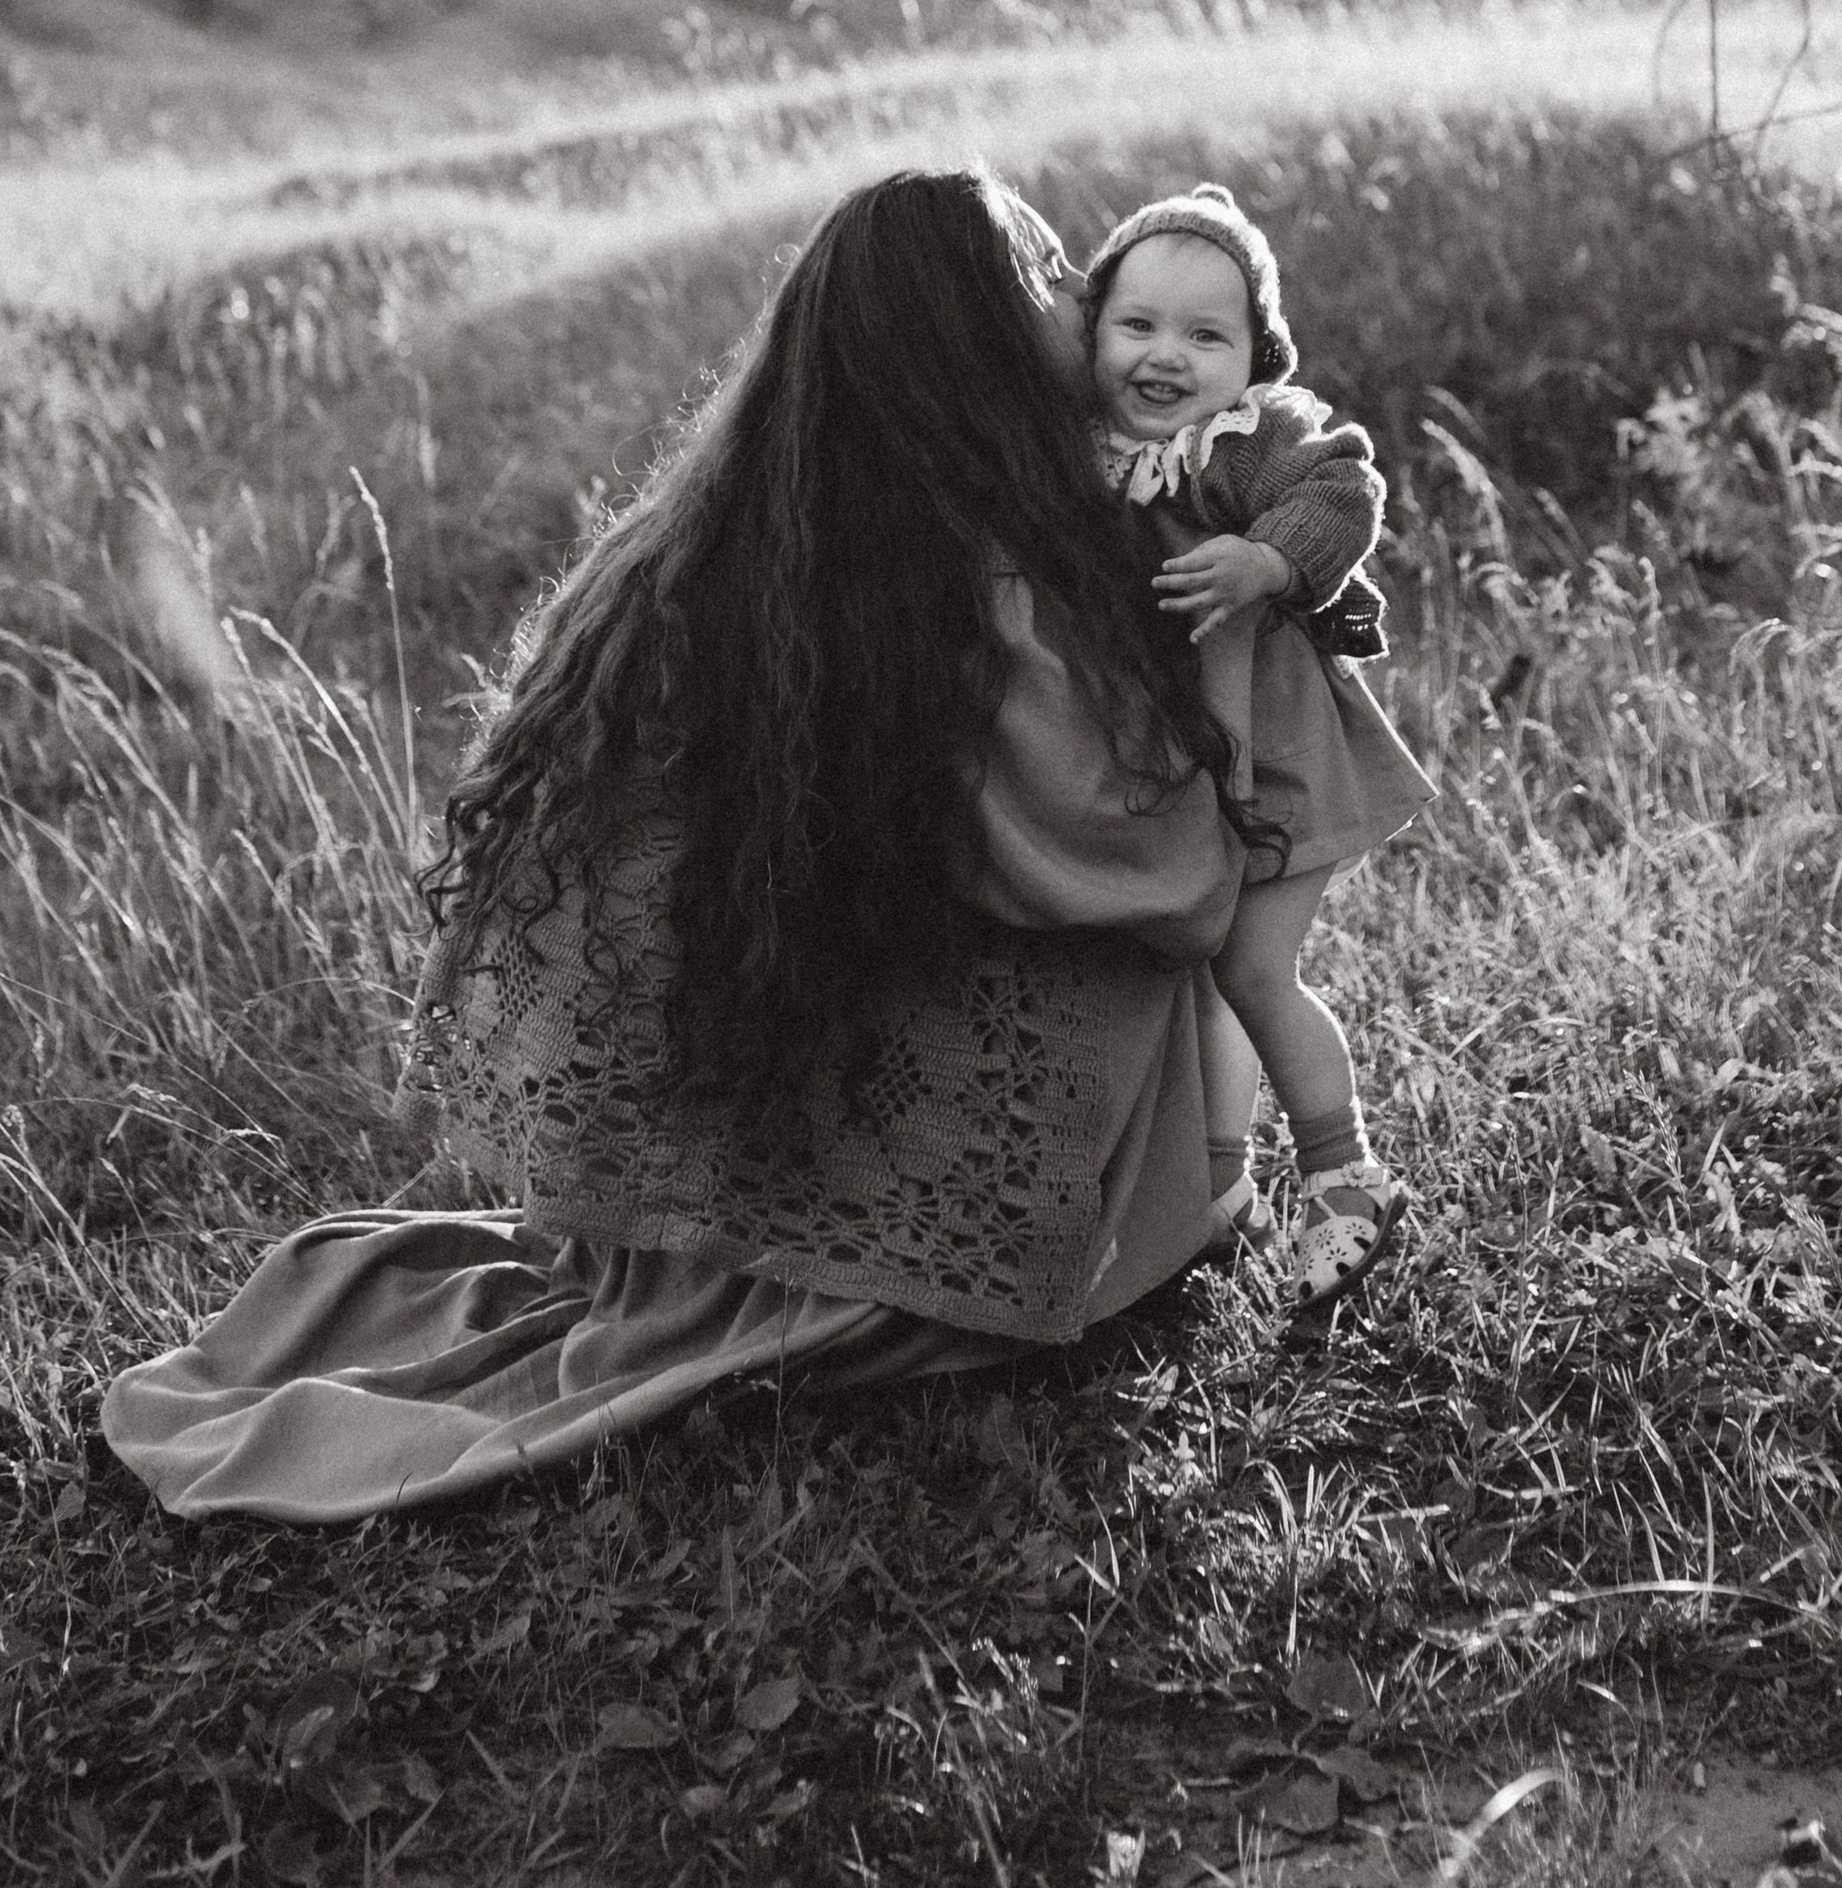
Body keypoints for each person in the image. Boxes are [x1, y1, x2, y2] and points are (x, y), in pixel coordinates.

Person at [103, 169, 1267, 1524]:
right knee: (1183, 951)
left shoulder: (718, 549)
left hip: (695, 1180)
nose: (1090, 297)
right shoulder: (999, 586)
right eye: (1056, 272)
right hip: (932, 1225)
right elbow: (1176, 889)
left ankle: (740, 1257)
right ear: (982, 340)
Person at [1083, 185, 1433, 1309]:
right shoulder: (1079, 455)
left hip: (1275, 753)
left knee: (1249, 968)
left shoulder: (1245, 438)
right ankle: (1219, 1190)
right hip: (1180, 769)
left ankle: (1344, 1173)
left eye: (1205, 335)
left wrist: (1268, 561)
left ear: (1255, 353)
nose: (1165, 357)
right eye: (1136, 326)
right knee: (1194, 971)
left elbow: (1345, 486)